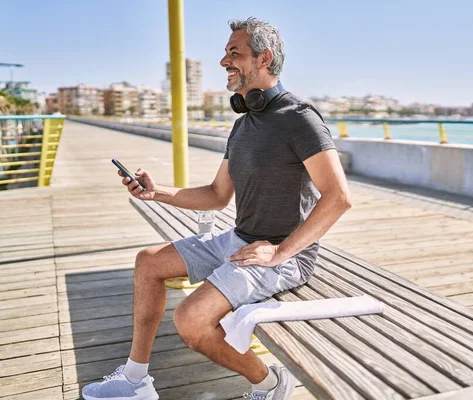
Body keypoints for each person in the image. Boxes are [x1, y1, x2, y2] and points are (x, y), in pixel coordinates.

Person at [82, 17, 352, 400]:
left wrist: (279, 252)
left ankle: (271, 383)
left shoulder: (300, 119)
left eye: (234, 52)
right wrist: (157, 192)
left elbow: (338, 197)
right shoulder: (244, 124)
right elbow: (217, 194)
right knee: (148, 262)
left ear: (265, 58)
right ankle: (135, 379)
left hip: (283, 256)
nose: (224, 61)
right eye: (226, 52)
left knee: (190, 319)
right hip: (239, 240)